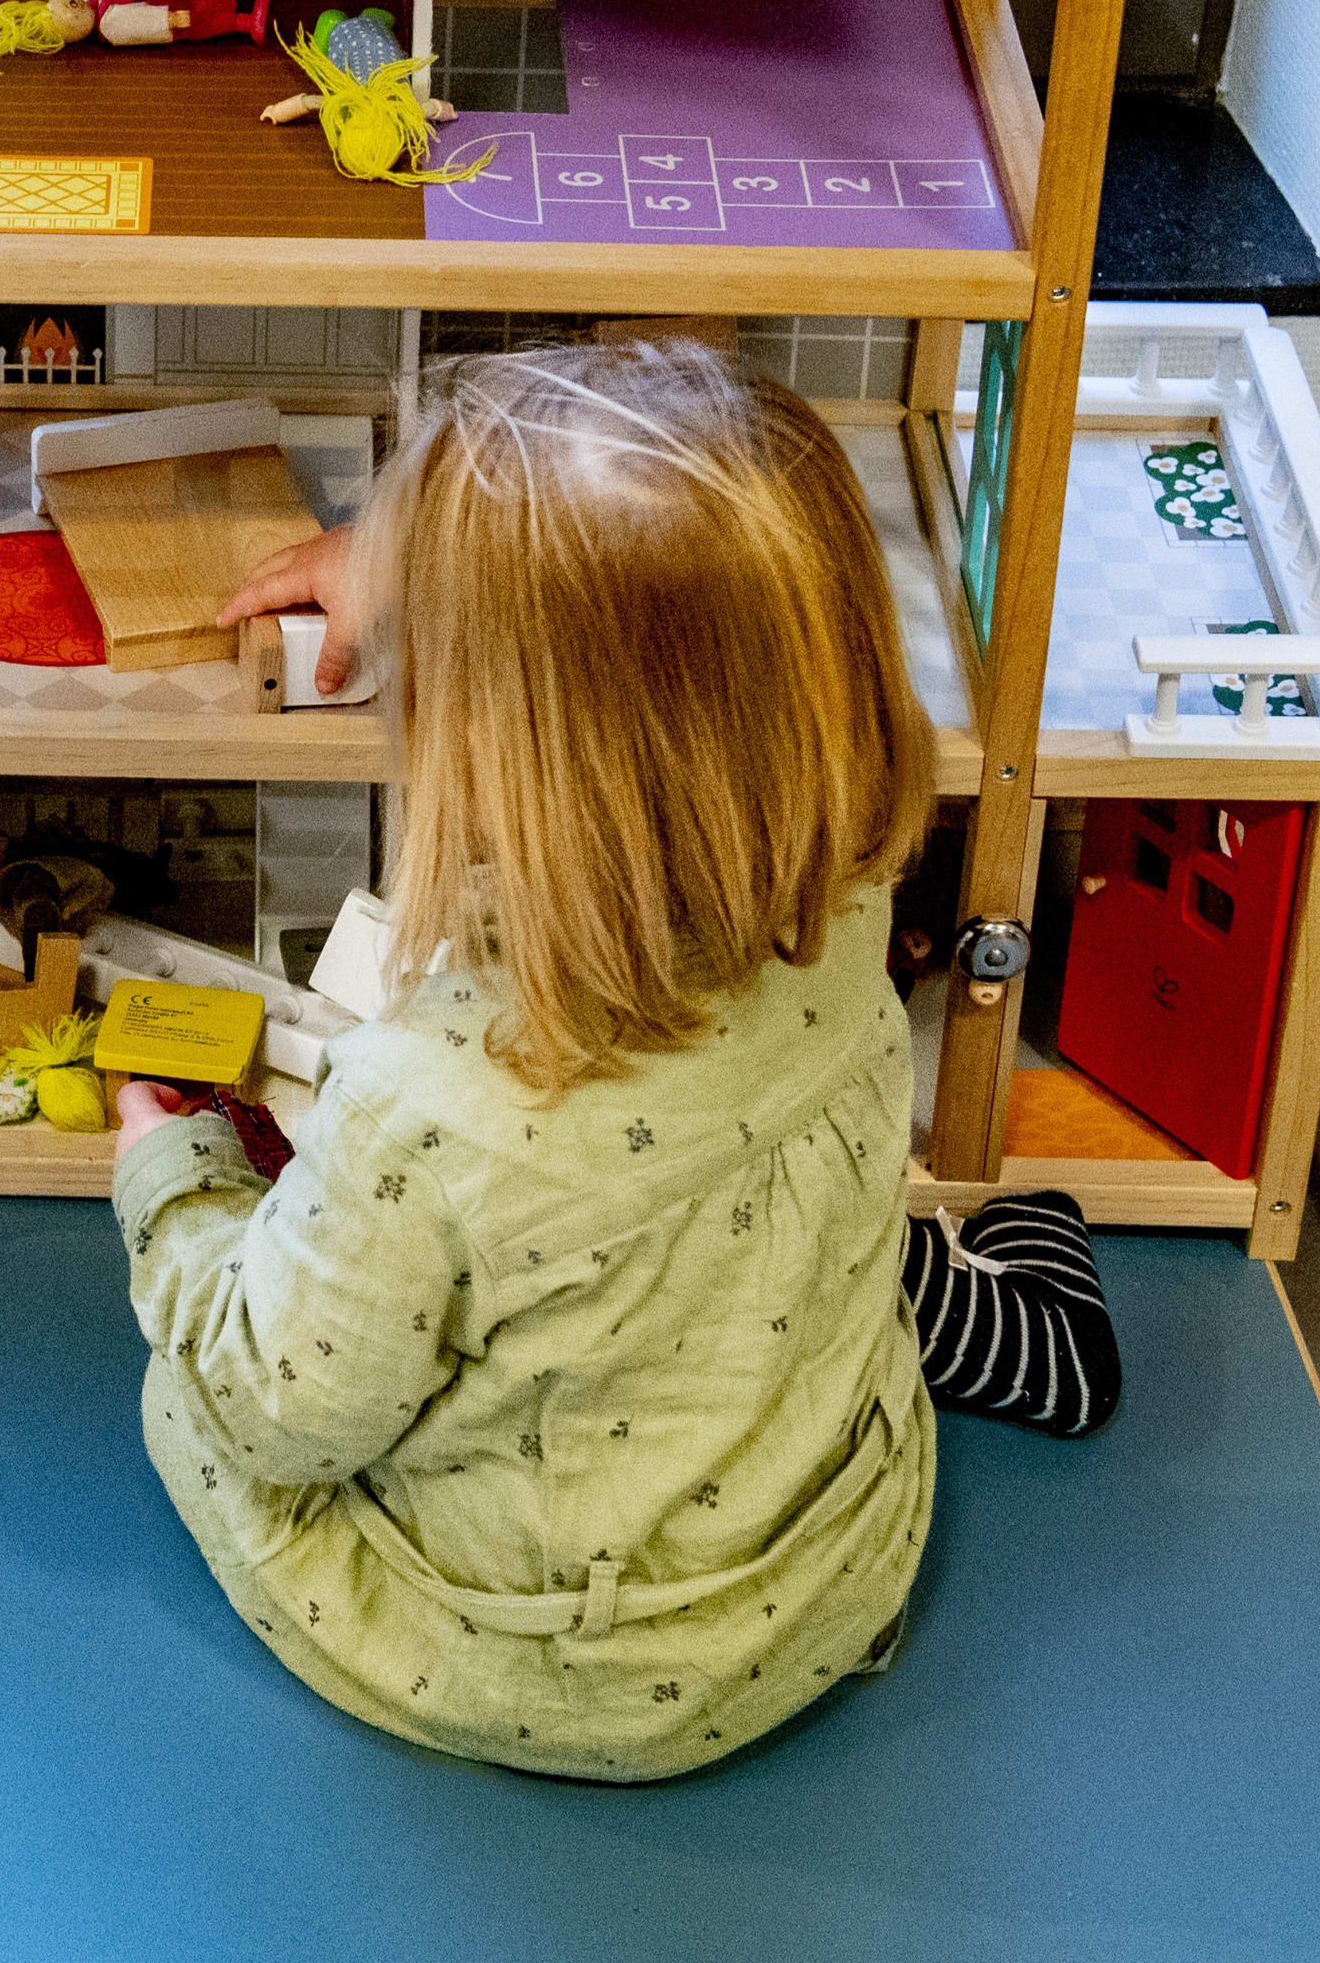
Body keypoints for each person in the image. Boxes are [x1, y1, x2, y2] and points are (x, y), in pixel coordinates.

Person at [136, 338, 1108, 1782]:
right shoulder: (844, 911)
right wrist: (403, 558)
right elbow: (662, 634)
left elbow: (277, 1410)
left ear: (490, 746)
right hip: (828, 1574)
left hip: (535, 1658)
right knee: (776, 1249)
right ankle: (996, 1316)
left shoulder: (428, 1112)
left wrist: (173, 1182)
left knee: (183, 1403)